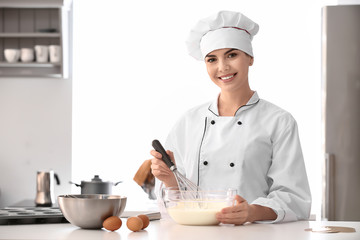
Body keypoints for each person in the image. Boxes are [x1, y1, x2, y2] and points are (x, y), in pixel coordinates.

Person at [150, 10, 311, 224]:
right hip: (196, 233)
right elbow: (173, 201)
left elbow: (293, 197)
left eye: (232, 55)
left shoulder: (279, 121)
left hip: (252, 233)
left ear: (250, 58)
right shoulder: (188, 122)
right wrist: (169, 180)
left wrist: (252, 211)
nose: (222, 67)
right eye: (212, 59)